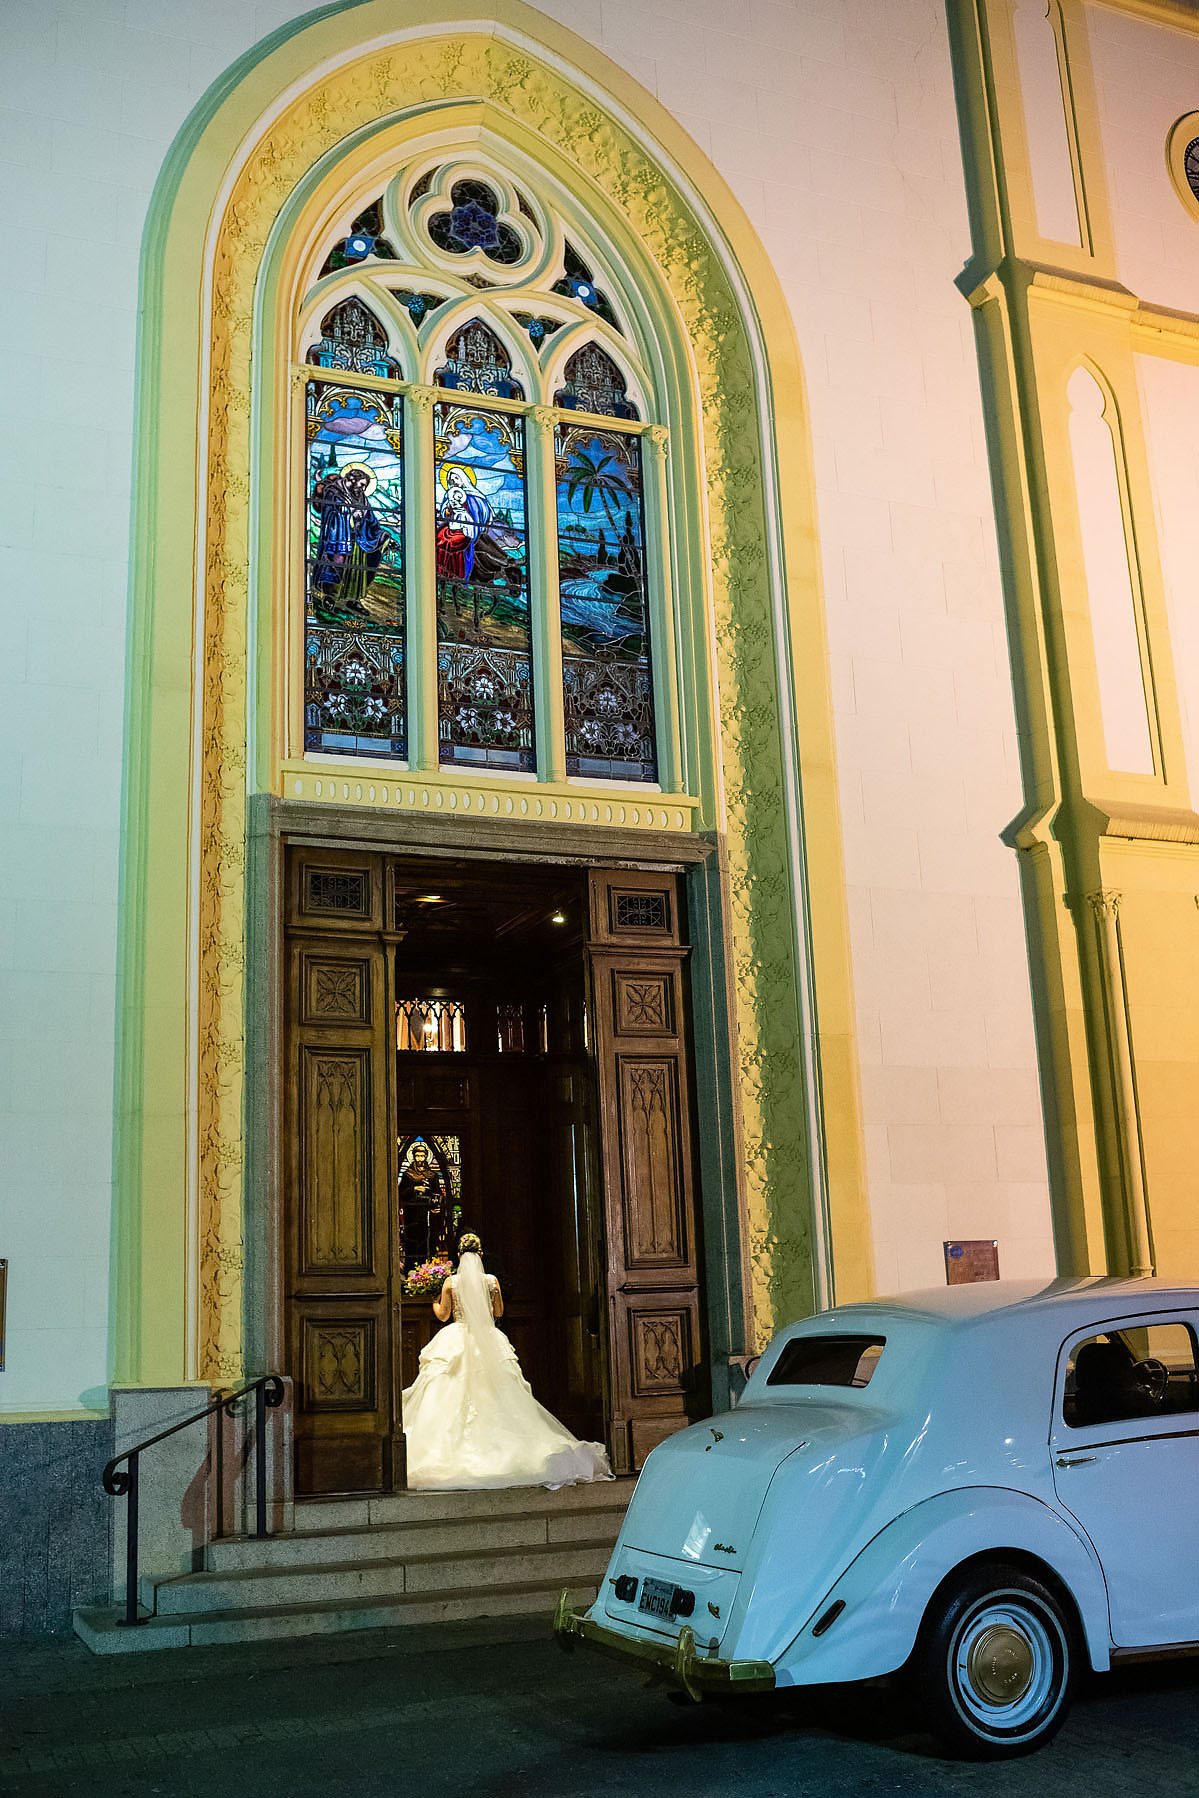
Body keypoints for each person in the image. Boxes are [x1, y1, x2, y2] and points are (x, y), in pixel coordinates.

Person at [401, 1233, 613, 1490]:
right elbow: (499, 1312)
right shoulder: (492, 1281)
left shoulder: (451, 1283)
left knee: (448, 1387)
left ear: (459, 1255)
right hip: (489, 1338)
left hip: (456, 1337)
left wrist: (435, 1303)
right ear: (481, 1255)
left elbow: (444, 1315)